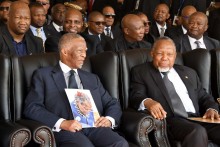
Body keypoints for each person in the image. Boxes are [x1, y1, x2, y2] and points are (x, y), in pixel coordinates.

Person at [24, 33, 129, 147]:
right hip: (65, 130)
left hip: (94, 127)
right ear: (65, 52)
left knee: (120, 143)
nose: (84, 55)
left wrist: (109, 119)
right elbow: (32, 107)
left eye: (85, 51)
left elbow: (111, 102)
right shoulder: (43, 75)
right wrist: (62, 123)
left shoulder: (92, 78)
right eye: (80, 51)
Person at [130, 36, 220, 147]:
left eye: (169, 54)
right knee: (196, 131)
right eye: (160, 53)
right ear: (152, 53)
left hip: (198, 118)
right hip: (171, 121)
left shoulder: (189, 72)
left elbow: (204, 97)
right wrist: (148, 102)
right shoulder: (141, 71)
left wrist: (211, 109)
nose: (165, 58)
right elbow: (136, 95)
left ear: (175, 56)